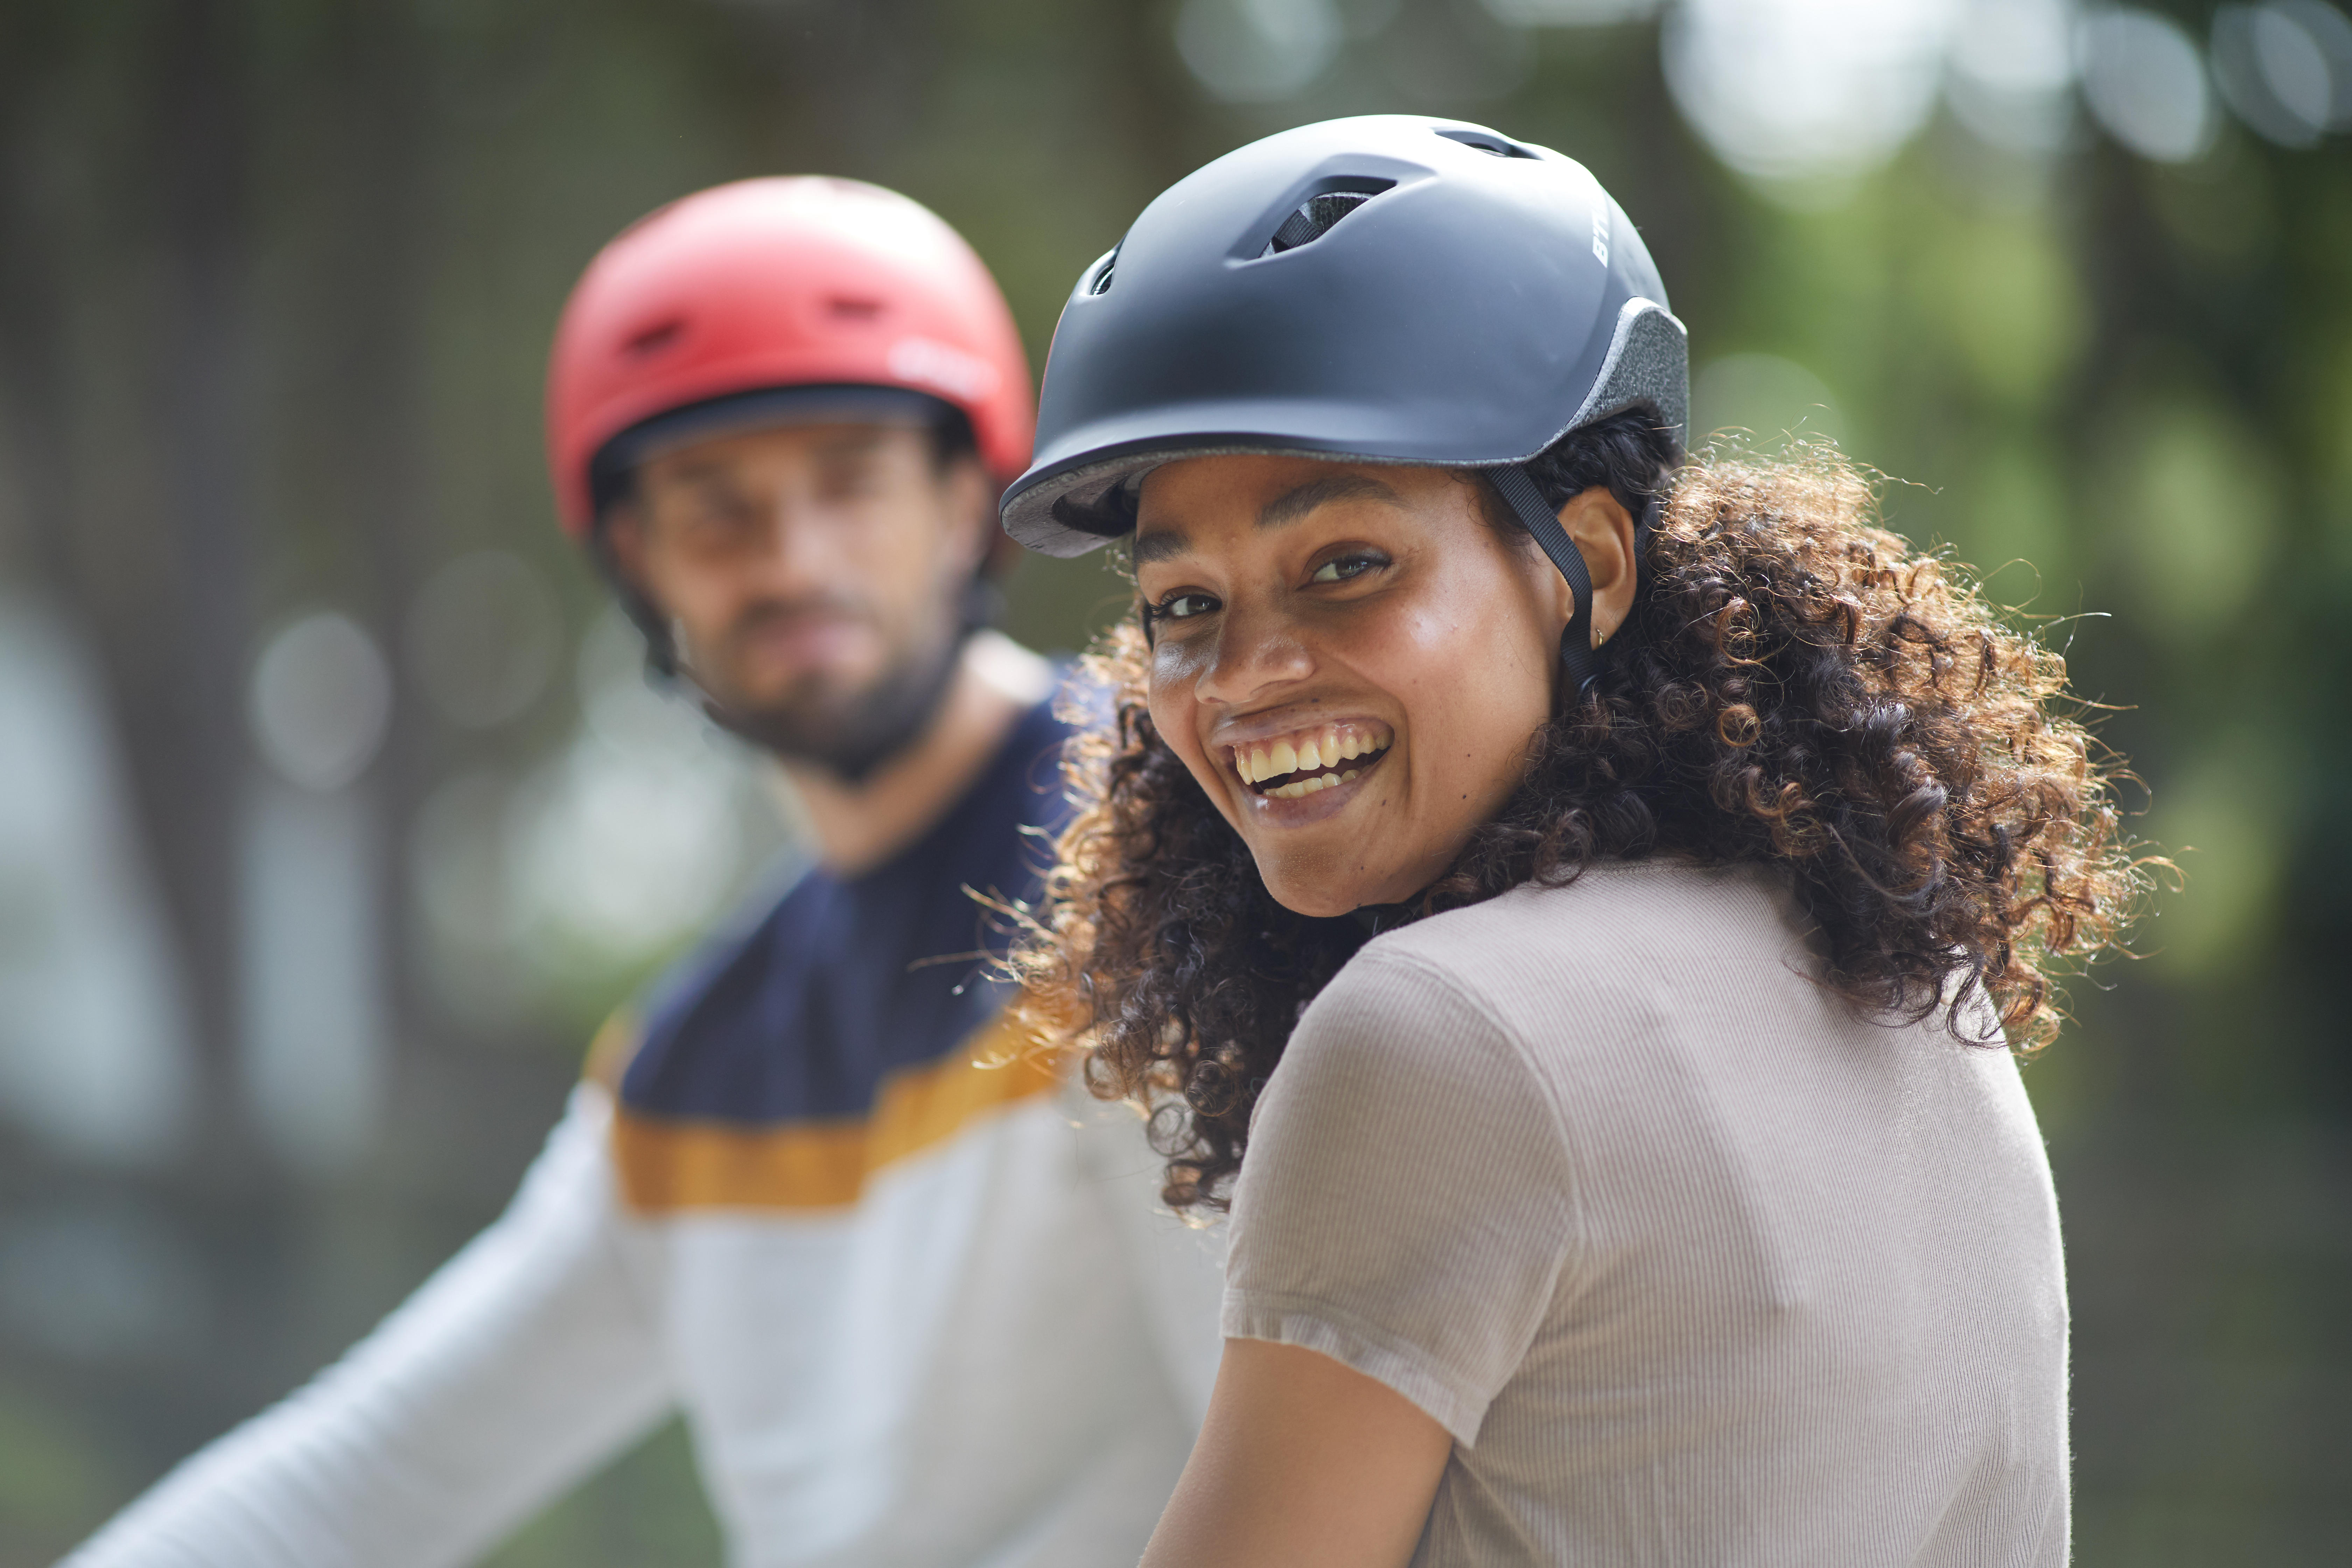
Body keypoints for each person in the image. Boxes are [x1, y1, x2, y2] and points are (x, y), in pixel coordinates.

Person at [1002, 117, 2149, 1566]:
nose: (1241, 676)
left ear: (1587, 566)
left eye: (1345, 565)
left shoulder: (1435, 1032)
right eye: (1181, 606)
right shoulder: (1915, 987)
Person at [68, 177, 1222, 1568]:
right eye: (715, 510)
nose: (791, 559)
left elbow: (1308, 1436)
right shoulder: (687, 1079)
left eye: (849, 481)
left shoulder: (1170, 854)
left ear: (969, 501)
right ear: (638, 560)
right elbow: (364, 1482)